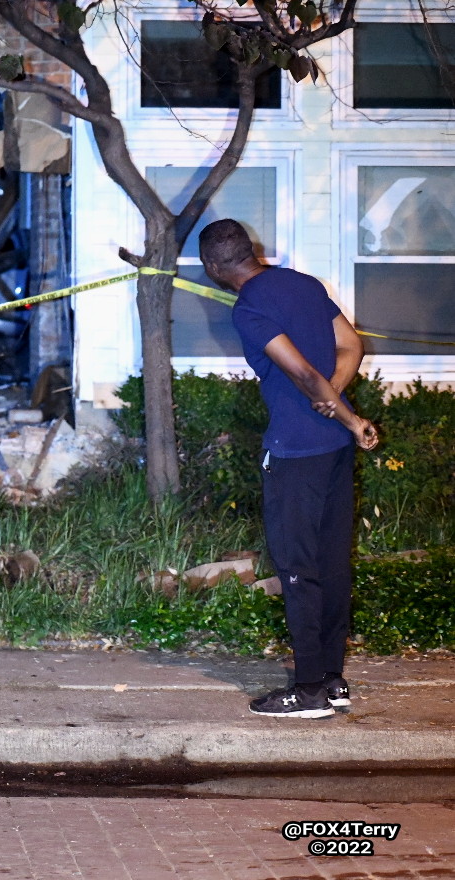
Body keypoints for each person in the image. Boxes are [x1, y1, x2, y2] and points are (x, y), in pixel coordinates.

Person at [198, 219, 379, 720]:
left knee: (299, 570)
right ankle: (333, 680)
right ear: (252, 250)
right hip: (332, 449)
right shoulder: (304, 283)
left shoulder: (251, 306)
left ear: (213, 268)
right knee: (331, 562)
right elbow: (352, 346)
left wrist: (344, 413)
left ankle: (308, 692)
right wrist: (337, 402)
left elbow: (301, 373)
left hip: (296, 453)